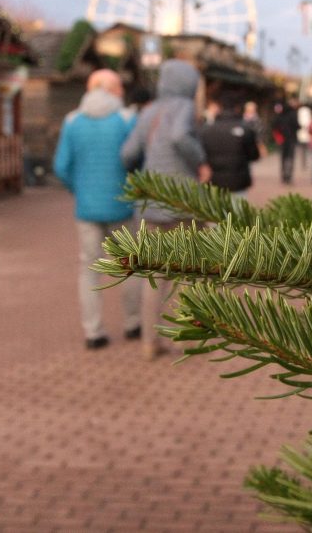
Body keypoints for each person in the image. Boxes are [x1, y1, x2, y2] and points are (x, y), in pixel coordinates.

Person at [121, 59, 210, 359]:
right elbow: (180, 136)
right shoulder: (184, 107)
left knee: (153, 276)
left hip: (149, 204)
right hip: (182, 202)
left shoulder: (149, 112)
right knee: (185, 273)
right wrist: (199, 160)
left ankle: (149, 342)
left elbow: (127, 153)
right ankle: (183, 339)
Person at [53, 68, 142, 351]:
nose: (122, 92)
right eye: (119, 88)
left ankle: (93, 332)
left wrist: (78, 189)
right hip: (122, 207)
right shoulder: (127, 119)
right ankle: (132, 323)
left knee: (89, 269)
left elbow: (61, 166)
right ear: (110, 89)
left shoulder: (72, 121)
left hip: (87, 209)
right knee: (129, 267)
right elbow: (137, 159)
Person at [201, 92, 261, 196]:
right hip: (238, 183)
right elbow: (254, 155)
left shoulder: (206, 130)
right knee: (235, 211)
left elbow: (201, 155)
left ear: (219, 107)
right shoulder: (246, 129)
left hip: (214, 182)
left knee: (216, 211)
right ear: (238, 108)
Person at [271, 100, 300, 185]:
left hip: (282, 140)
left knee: (283, 158)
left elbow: (274, 126)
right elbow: (297, 126)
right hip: (291, 140)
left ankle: (284, 176)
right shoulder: (293, 115)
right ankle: (289, 177)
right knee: (290, 158)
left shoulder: (280, 116)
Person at [296, 102, 312, 171]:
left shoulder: (299, 111)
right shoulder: (308, 111)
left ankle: (303, 162)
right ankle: (304, 163)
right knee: (305, 149)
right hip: (306, 133)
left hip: (302, 133)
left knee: (303, 149)